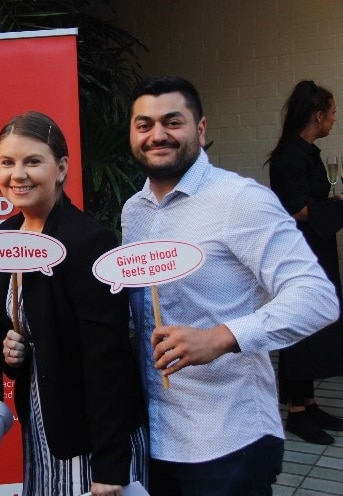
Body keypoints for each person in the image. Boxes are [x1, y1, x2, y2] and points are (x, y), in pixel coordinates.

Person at [121, 76, 339, 495]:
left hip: (226, 438)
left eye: (173, 121)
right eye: (144, 125)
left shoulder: (240, 200)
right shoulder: (134, 211)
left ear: (201, 130)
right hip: (154, 436)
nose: (158, 135)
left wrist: (223, 337)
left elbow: (317, 297)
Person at [0, 111, 147, 496]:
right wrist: (10, 349)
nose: (17, 174)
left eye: (32, 161)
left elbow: (107, 360)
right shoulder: (5, 236)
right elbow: (18, 327)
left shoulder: (87, 242)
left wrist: (110, 466)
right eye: (7, 162)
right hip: (44, 431)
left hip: (92, 441)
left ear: (61, 168)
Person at [268, 80, 343, 445]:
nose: (333, 120)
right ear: (318, 116)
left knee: (317, 323)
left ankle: (309, 403)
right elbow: (296, 208)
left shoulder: (309, 153)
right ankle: (297, 412)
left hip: (318, 248)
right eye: (332, 113)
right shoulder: (289, 156)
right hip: (299, 253)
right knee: (300, 323)